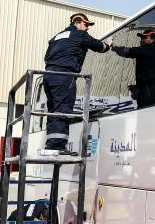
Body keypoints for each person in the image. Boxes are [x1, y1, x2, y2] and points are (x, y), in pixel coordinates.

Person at [41, 12, 112, 156]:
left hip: (48, 76)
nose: (87, 28)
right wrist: (108, 45)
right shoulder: (79, 34)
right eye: (86, 24)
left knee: (53, 110)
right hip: (64, 76)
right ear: (77, 23)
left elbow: (46, 58)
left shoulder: (56, 37)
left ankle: (51, 145)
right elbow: (98, 46)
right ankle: (57, 147)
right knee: (63, 109)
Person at [113, 29, 155, 108]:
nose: (142, 40)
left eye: (145, 38)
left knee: (146, 112)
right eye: (141, 38)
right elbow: (149, 72)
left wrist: (114, 47)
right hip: (151, 88)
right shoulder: (154, 49)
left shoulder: (149, 49)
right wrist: (138, 86)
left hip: (149, 90)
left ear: (152, 39)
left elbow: (129, 52)